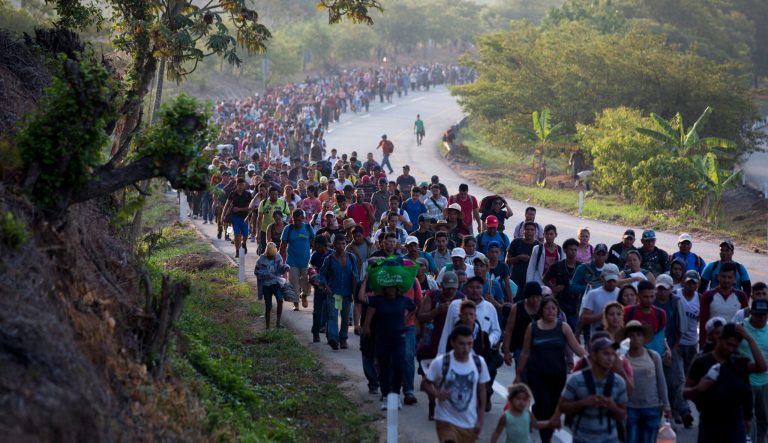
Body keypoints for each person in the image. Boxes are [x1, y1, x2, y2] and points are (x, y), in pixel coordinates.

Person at [515, 297, 587, 443]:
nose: (551, 311)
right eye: (547, 308)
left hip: (558, 375)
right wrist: (519, 374)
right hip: (537, 375)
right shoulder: (533, 327)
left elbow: (577, 348)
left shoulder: (563, 327)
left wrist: (593, 358)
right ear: (542, 310)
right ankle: (546, 439)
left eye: (554, 308)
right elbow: (525, 352)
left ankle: (535, 413)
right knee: (545, 406)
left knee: (553, 406)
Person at [684, 323, 767, 443]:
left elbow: (762, 367)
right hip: (709, 424)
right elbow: (684, 393)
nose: (730, 349)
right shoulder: (701, 362)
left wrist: (750, 339)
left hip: (735, 425)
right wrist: (697, 389)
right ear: (720, 339)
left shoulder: (739, 362)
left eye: (735, 346)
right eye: (728, 344)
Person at [423, 324, 490, 443]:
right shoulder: (441, 362)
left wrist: (480, 419)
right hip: (445, 419)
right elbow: (426, 383)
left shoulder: (479, 363)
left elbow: (482, 390)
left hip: (469, 423)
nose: (466, 348)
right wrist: (437, 394)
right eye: (462, 344)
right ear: (453, 343)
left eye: (469, 344)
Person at [558, 334, 628, 443]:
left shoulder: (618, 382)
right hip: (582, 438)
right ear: (594, 355)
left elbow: (623, 414)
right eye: (605, 354)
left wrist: (612, 406)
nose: (610, 358)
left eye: (612, 354)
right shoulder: (576, 380)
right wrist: (583, 403)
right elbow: (562, 406)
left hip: (610, 439)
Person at [361, 282, 417, 410]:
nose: (390, 289)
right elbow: (361, 298)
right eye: (388, 287)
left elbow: (414, 307)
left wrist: (406, 319)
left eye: (393, 287)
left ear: (397, 288)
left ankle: (396, 396)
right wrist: (366, 280)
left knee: (398, 367)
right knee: (384, 369)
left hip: (399, 340)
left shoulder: (403, 300)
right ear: (384, 288)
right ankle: (386, 397)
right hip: (382, 339)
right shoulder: (379, 300)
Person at [417, 271, 463, 420]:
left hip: (451, 346)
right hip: (430, 344)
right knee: (430, 379)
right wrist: (438, 311)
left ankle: (447, 408)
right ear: (441, 285)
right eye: (447, 287)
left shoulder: (461, 299)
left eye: (453, 288)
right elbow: (421, 317)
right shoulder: (432, 296)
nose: (449, 291)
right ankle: (432, 404)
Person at [624, 320, 671, 443]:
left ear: (644, 338)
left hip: (651, 407)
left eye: (638, 335)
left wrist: (666, 405)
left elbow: (661, 382)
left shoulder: (653, 356)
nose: (635, 338)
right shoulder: (622, 358)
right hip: (629, 408)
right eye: (631, 335)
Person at [319, 234, 359, 350]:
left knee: (346, 317)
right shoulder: (329, 259)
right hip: (333, 291)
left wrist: (355, 286)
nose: (341, 246)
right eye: (338, 244)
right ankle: (333, 338)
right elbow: (322, 274)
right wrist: (326, 286)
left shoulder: (351, 258)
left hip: (347, 292)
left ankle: (343, 339)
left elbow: (355, 274)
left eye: (343, 244)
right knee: (332, 315)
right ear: (334, 245)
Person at [699, 262, 750, 347]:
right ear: (718, 277)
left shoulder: (741, 296)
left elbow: (746, 323)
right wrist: (702, 345)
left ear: (734, 279)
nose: (726, 280)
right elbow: (703, 323)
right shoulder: (708, 296)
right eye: (723, 276)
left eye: (729, 277)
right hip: (713, 345)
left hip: (734, 346)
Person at [738, 298, 768, 443]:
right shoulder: (740, 328)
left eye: (764, 315)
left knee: (764, 419)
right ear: (751, 313)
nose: (761, 318)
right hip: (746, 383)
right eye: (757, 315)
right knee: (749, 419)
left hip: (765, 383)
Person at [279, 209, 315, 311]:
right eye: (295, 220)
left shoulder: (308, 228)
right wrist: (279, 259)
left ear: (303, 219)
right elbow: (283, 245)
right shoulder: (288, 228)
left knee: (307, 281)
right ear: (292, 219)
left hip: (306, 261)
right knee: (293, 282)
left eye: (299, 220)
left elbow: (314, 241)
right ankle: (296, 303)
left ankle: (304, 295)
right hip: (292, 261)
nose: (297, 223)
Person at [502, 282, 543, 367]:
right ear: (527, 297)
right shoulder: (517, 308)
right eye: (532, 297)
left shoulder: (544, 307)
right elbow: (509, 330)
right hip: (520, 348)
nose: (535, 300)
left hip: (539, 348)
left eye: (537, 297)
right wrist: (506, 351)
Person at [576, 263, 620, 339]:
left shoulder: (621, 293)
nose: (612, 283)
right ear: (602, 278)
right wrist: (602, 316)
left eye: (614, 280)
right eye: (609, 280)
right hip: (598, 338)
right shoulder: (593, 294)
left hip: (617, 338)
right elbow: (584, 318)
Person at [544, 238, 580, 329]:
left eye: (575, 250)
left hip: (575, 303)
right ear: (565, 250)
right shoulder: (557, 266)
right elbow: (544, 279)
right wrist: (553, 288)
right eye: (570, 249)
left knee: (573, 329)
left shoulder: (581, 267)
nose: (573, 252)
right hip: (560, 302)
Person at [254, 242, 289, 329]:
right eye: (270, 256)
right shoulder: (261, 259)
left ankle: (278, 323)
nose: (272, 257)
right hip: (266, 285)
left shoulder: (278, 257)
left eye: (273, 256)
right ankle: (267, 326)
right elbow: (257, 272)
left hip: (276, 283)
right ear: (266, 253)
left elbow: (280, 268)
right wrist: (266, 274)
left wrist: (285, 267)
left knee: (280, 300)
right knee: (268, 305)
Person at [677, 270, 702, 380]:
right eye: (688, 282)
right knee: (677, 375)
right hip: (677, 342)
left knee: (689, 375)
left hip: (692, 342)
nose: (691, 285)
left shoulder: (700, 298)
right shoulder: (675, 295)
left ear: (698, 284)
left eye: (694, 283)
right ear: (683, 282)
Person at [221, 178, 252, 257]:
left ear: (244, 185)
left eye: (242, 185)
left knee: (245, 234)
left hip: (245, 217)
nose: (240, 186)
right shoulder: (232, 194)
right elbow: (227, 205)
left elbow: (250, 207)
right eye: (239, 185)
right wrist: (223, 215)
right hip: (235, 217)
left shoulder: (248, 195)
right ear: (236, 185)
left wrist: (239, 209)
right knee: (236, 234)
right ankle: (237, 251)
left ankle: (244, 243)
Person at [506, 221, 540, 292]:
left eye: (532, 230)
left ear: (535, 232)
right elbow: (507, 260)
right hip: (515, 278)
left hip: (531, 279)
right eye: (527, 229)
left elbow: (541, 264)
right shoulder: (516, 242)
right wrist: (519, 257)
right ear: (523, 231)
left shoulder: (539, 246)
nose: (529, 232)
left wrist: (530, 259)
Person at [256, 187, 289, 254]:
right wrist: (257, 233)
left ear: (278, 194)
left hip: (279, 231)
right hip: (265, 230)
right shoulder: (264, 203)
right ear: (269, 194)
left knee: (279, 250)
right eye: (272, 195)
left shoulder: (283, 203)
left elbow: (289, 213)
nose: (274, 196)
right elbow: (259, 218)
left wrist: (285, 223)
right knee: (265, 250)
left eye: (275, 195)